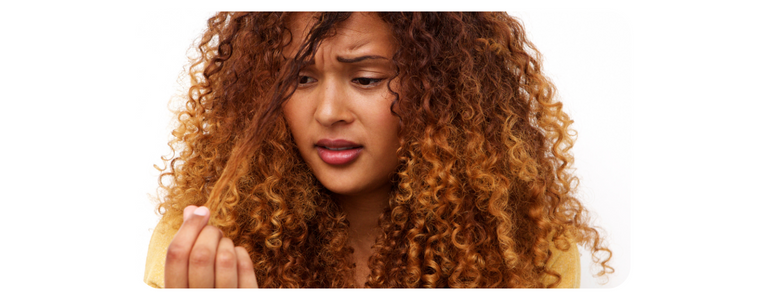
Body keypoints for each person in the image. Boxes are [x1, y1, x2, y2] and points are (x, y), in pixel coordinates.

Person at [144, 12, 613, 288]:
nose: (329, 112)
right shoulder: (200, 249)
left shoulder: (528, 250)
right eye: (300, 79)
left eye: (366, 79)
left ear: (442, 89)